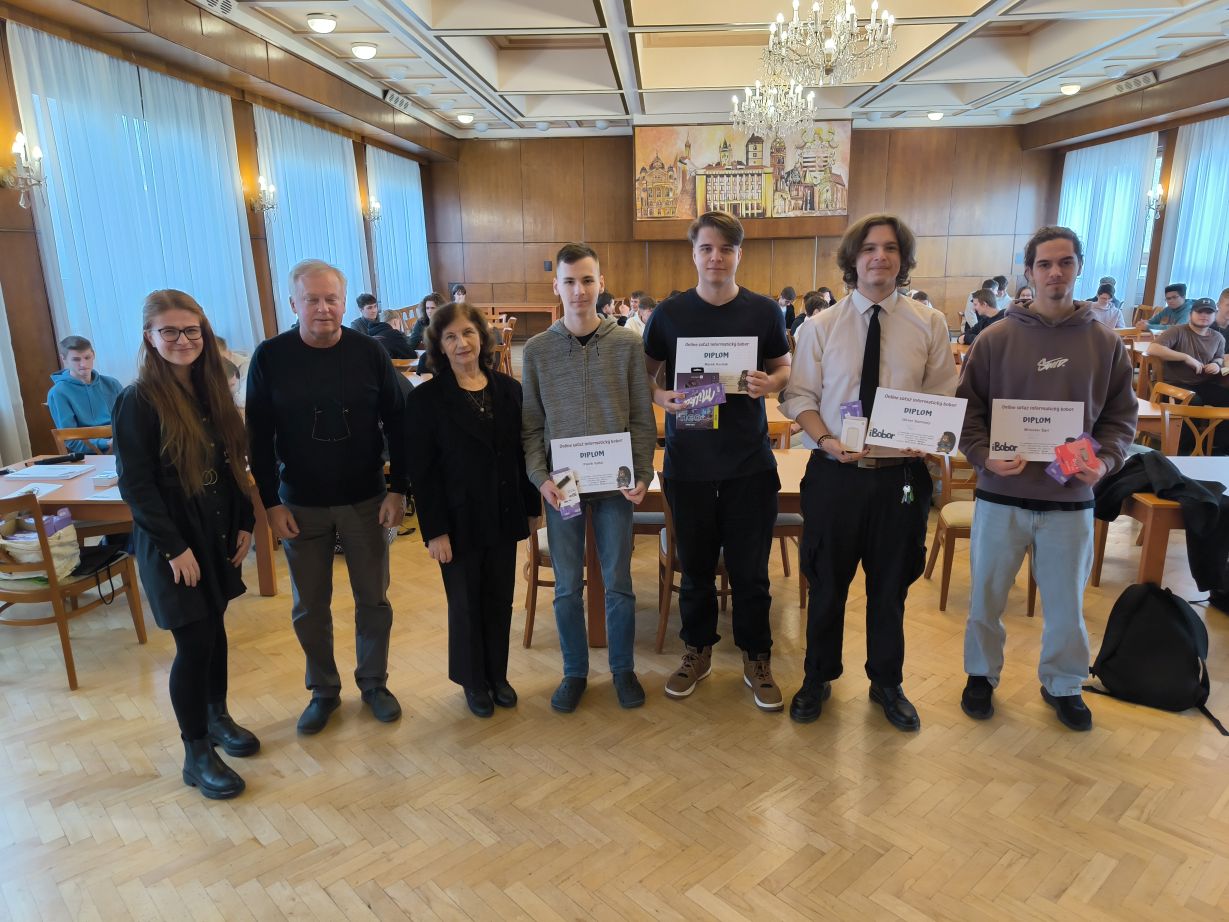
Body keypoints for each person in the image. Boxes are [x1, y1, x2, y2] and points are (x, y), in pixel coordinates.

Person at [779, 213, 955, 730]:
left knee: (890, 587)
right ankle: (817, 676)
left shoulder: (929, 324)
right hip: (835, 474)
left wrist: (929, 439)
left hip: (901, 476)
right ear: (853, 259)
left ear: (903, 260)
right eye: (870, 248)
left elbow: (942, 396)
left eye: (890, 248)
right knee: (826, 583)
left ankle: (887, 681)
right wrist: (827, 441)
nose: (880, 256)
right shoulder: (820, 326)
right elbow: (799, 397)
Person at [958, 226, 1137, 732]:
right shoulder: (995, 339)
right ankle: (980, 674)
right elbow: (967, 413)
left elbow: (1120, 419)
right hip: (1001, 495)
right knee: (986, 598)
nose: (1055, 272)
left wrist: (1104, 463)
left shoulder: (1105, 343)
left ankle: (1063, 684)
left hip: (1070, 496)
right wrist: (984, 456)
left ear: (1079, 267)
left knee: (1066, 605)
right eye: (1044, 264)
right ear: (1029, 272)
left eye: (1065, 262)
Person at [246, 259, 408, 734]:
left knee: (373, 599)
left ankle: (374, 683)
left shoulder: (370, 352)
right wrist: (271, 503)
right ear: (293, 304)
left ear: (343, 302)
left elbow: (400, 423)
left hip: (366, 499)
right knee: (309, 605)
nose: (323, 308)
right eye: (312, 299)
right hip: (300, 503)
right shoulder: (270, 357)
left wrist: (399, 488)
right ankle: (323, 690)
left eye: (331, 299)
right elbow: (258, 436)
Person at [113, 289, 259, 800]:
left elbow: (233, 462)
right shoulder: (137, 400)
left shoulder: (210, 388)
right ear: (150, 337)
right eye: (170, 331)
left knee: (214, 630)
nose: (182, 339)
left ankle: (217, 717)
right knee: (194, 642)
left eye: (191, 330)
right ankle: (196, 753)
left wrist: (246, 521)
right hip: (171, 542)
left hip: (215, 528)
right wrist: (175, 549)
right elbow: (137, 486)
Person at [644, 211, 792, 711]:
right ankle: (697, 651)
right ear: (694, 254)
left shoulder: (764, 311)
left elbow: (783, 366)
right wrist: (660, 396)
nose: (716, 258)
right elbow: (646, 373)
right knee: (695, 569)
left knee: (751, 572)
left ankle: (757, 657)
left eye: (726, 249)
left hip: (749, 463)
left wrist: (771, 382)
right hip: (688, 464)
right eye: (706, 248)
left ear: (738, 255)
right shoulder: (670, 314)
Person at [521, 243, 657, 713]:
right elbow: (531, 425)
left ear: (601, 284)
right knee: (566, 586)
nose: (579, 290)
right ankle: (574, 672)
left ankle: (622, 669)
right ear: (556, 286)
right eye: (570, 281)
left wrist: (644, 472)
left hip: (616, 484)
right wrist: (539, 476)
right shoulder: (538, 350)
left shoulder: (627, 344)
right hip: (563, 487)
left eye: (587, 280)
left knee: (618, 581)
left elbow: (641, 417)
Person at [406, 303, 540, 717]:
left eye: (467, 333)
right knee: (465, 603)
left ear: (482, 337)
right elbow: (422, 472)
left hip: (503, 510)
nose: (461, 343)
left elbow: (522, 454)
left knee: (500, 599)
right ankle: (473, 680)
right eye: (450, 336)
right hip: (457, 519)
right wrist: (434, 531)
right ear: (439, 346)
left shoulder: (509, 389)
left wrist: (531, 507)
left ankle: (497, 675)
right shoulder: (426, 399)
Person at [47, 335, 123, 454]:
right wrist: (107, 443)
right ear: (64, 359)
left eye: (87, 357)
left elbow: (129, 421)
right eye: (76, 359)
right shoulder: (58, 393)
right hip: (90, 456)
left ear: (93, 355)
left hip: (124, 447)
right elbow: (70, 439)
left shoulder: (112, 384)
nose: (83, 364)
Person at [1146, 298, 1229, 406]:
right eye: (1199, 312)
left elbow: (1219, 357)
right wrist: (1185, 357)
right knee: (1194, 401)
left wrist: (1216, 364)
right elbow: (1153, 348)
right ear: (1190, 315)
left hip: (1202, 384)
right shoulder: (1177, 330)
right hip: (1172, 384)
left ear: (1214, 316)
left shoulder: (1218, 337)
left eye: (1209, 312)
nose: (1204, 315)